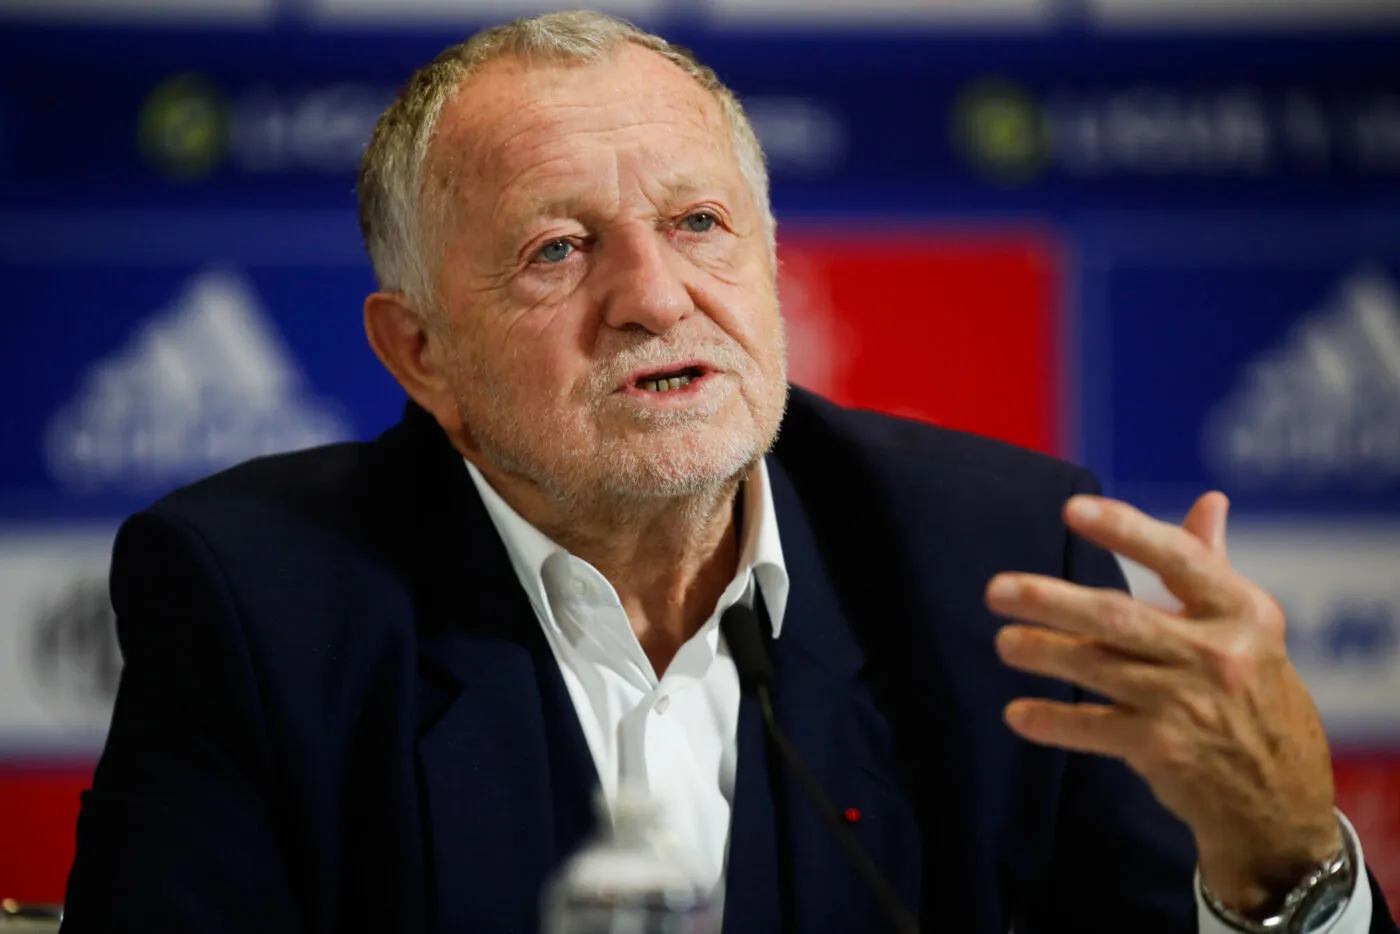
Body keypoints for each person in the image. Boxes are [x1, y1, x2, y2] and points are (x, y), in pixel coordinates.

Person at [61, 11, 1396, 934]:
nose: (655, 297)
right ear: (422, 351)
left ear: (763, 258)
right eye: (559, 250)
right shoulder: (257, 599)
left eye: (698, 223)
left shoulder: (996, 564)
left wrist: (1286, 858)